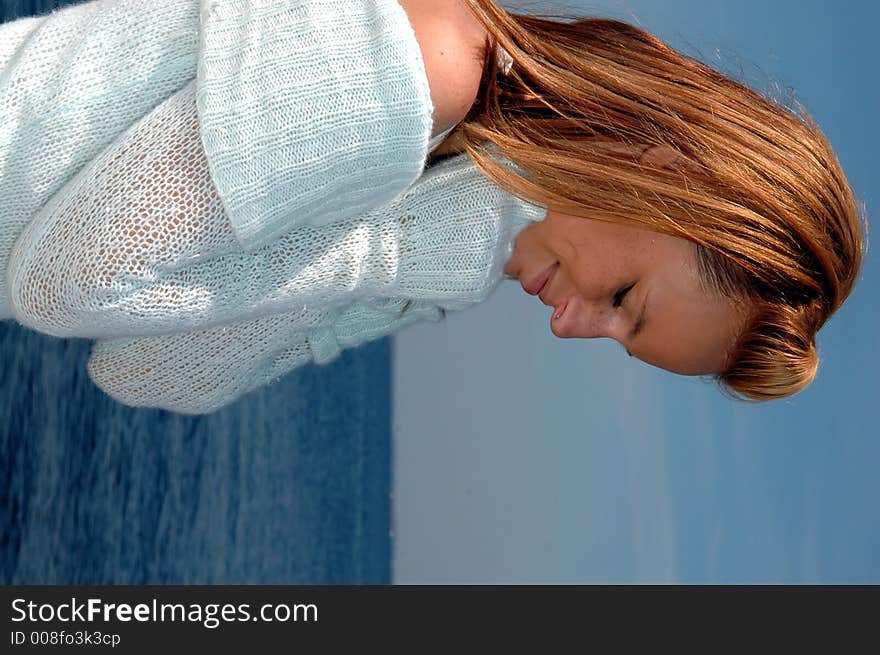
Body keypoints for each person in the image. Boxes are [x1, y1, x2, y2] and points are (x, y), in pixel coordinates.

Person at [4, 0, 866, 413]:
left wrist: (379, 277)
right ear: (664, 177)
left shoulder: (448, 208)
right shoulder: (431, 64)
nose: (571, 328)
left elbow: (147, 372)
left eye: (615, 340)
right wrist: (383, 254)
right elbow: (63, 285)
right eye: (623, 301)